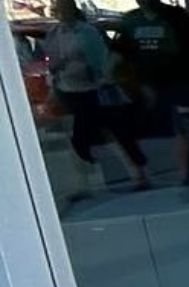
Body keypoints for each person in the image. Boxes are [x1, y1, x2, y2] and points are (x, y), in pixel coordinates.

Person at [44, 0, 149, 191]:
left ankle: (137, 173)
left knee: (114, 132)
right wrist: (54, 80)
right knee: (84, 136)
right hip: (69, 89)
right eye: (58, 10)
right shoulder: (54, 33)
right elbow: (51, 61)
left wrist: (100, 77)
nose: (61, 13)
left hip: (94, 89)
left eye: (64, 9)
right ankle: (85, 180)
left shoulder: (87, 32)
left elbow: (100, 60)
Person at [117, 0, 189, 185]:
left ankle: (186, 177)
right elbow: (121, 52)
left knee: (183, 128)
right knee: (178, 129)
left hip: (182, 83)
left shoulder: (178, 18)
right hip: (150, 86)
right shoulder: (131, 20)